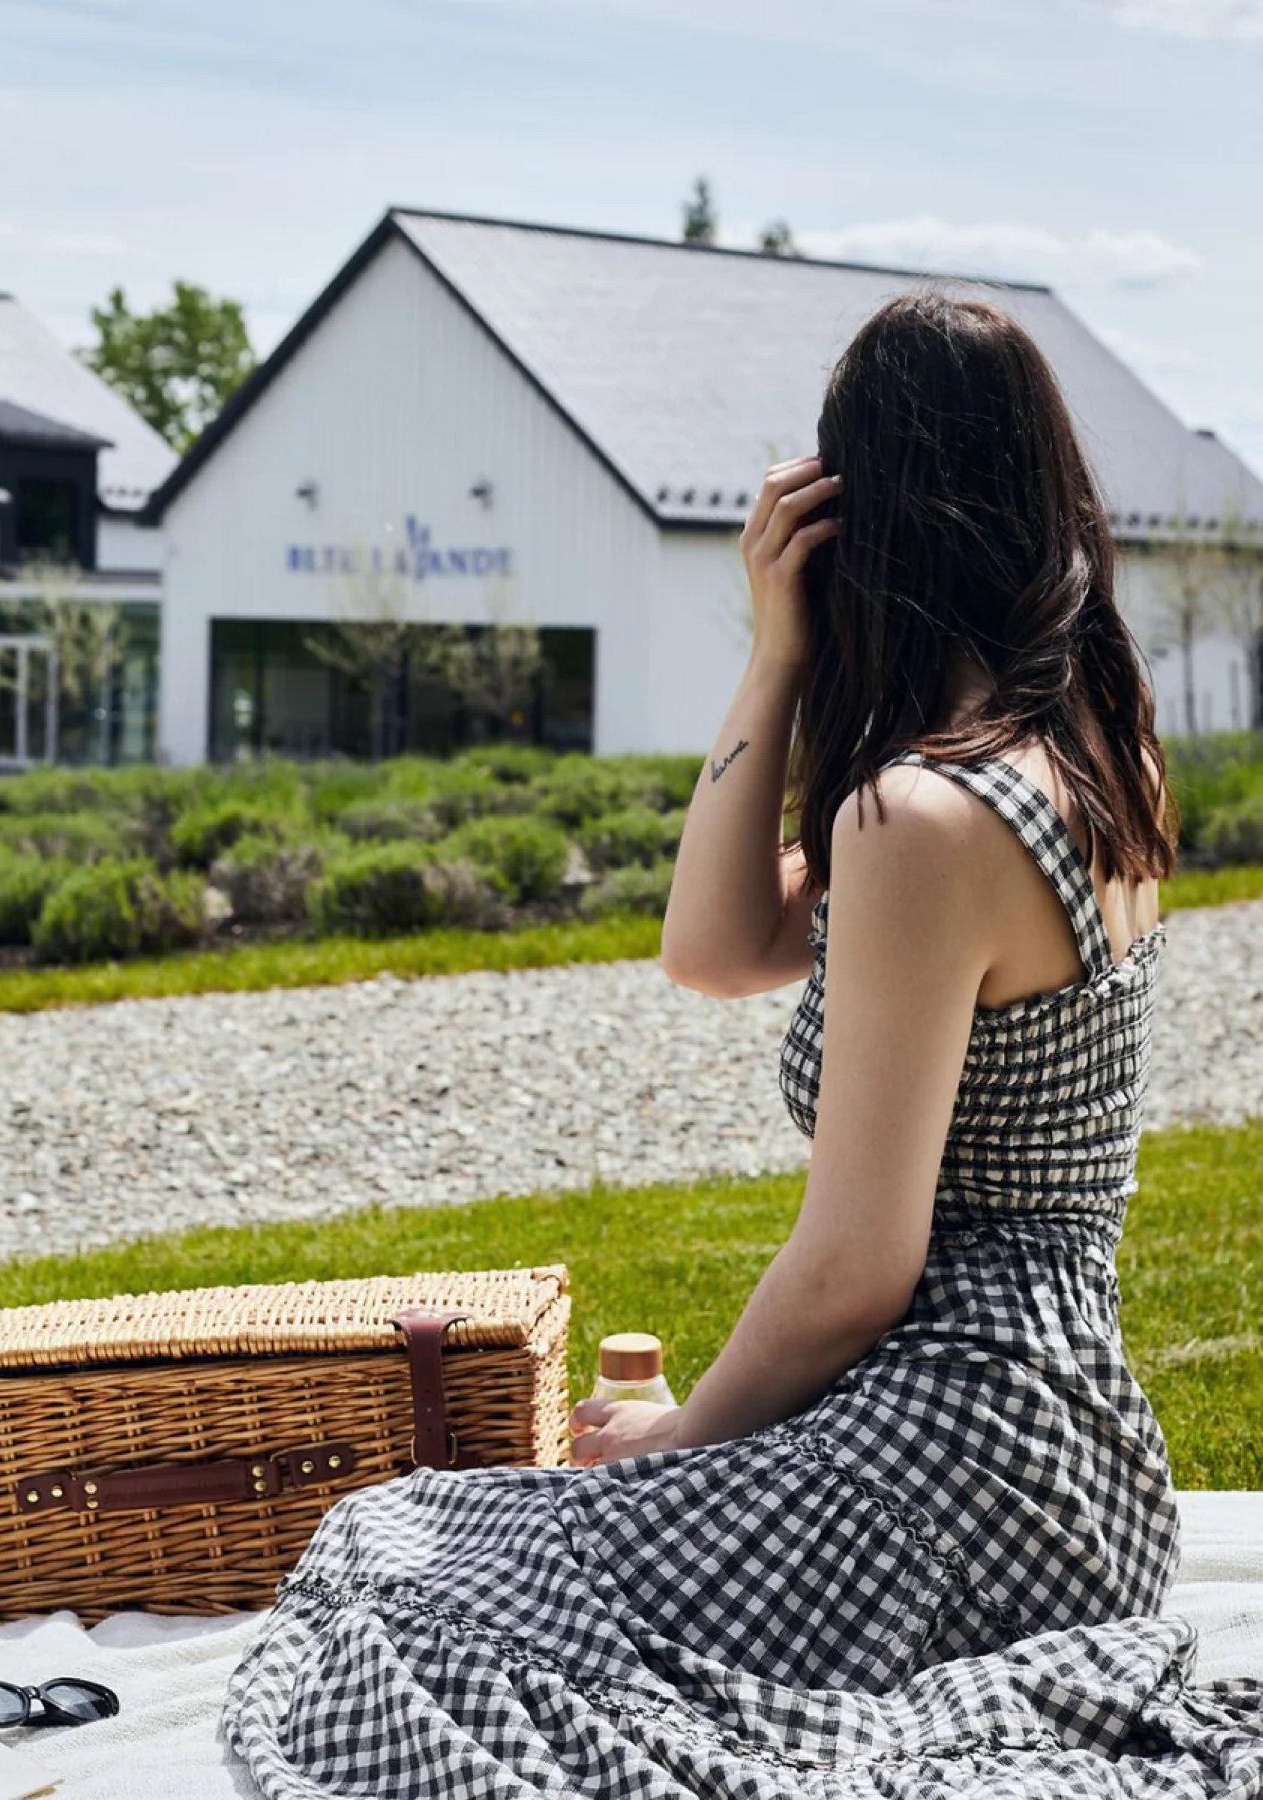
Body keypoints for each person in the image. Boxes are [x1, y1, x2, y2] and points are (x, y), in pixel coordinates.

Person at [223, 289, 1263, 1795]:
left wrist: (681, 1440)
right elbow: (712, 948)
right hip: (1072, 1457)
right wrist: (777, 664)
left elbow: (858, 1272)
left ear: (860, 522)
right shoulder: (1092, 746)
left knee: (402, 1586)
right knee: (429, 1565)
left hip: (950, 1467)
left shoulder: (922, 818)